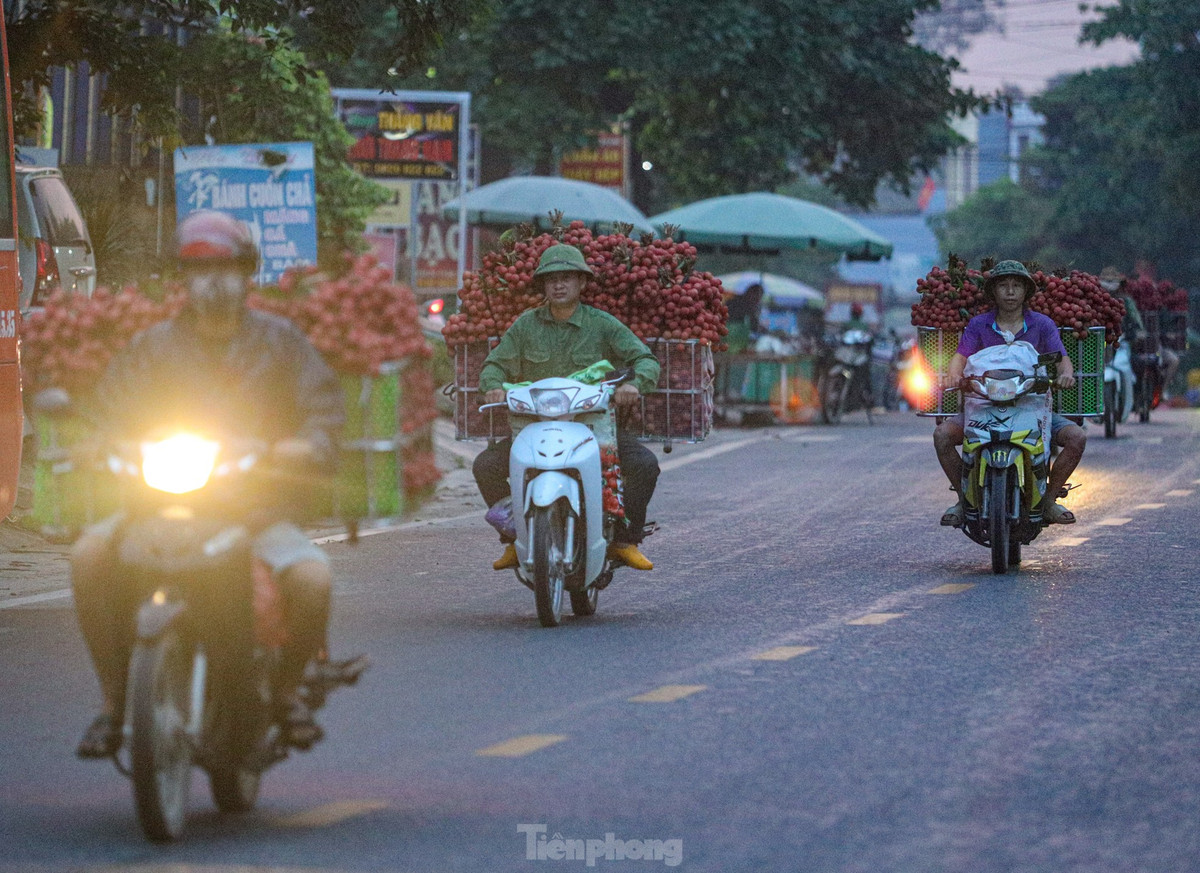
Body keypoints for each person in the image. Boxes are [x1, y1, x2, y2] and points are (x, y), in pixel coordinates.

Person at [72, 211, 346, 758]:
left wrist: (305, 445)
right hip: (154, 507)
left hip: (254, 512)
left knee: (314, 579)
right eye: (199, 272)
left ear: (247, 276)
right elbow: (107, 413)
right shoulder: (151, 348)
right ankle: (112, 703)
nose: (213, 282)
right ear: (184, 281)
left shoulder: (281, 343)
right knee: (86, 556)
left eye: (225, 269)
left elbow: (323, 412)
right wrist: (97, 441)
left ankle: (287, 692)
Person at [473, 243, 661, 572]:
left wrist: (634, 385)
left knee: (645, 464)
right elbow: (494, 366)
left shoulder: (603, 324)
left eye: (567, 278)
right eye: (551, 279)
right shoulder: (525, 326)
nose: (559, 285)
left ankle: (624, 541)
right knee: (485, 466)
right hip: (534, 429)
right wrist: (491, 387)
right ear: (543, 286)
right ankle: (515, 538)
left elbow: (644, 359)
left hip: (594, 428)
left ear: (582, 283)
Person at [934, 260, 1086, 527]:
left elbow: (1063, 358)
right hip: (982, 405)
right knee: (942, 436)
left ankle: (1048, 499)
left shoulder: (1042, 324)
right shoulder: (979, 325)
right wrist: (953, 373)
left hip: (1032, 405)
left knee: (1076, 438)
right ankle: (962, 498)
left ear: (1026, 292)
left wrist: (1066, 374)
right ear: (993, 292)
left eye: (1017, 286)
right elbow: (960, 356)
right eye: (1003, 286)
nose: (1010, 292)